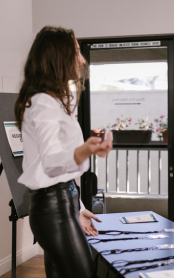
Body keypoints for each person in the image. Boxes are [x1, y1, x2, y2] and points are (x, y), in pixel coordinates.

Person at [15, 26, 113, 278]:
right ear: (58, 56)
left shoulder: (51, 100)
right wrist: (85, 150)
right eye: (77, 52)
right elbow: (51, 162)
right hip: (54, 209)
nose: (82, 59)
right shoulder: (43, 102)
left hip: (59, 205)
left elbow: (60, 176)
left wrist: (77, 207)